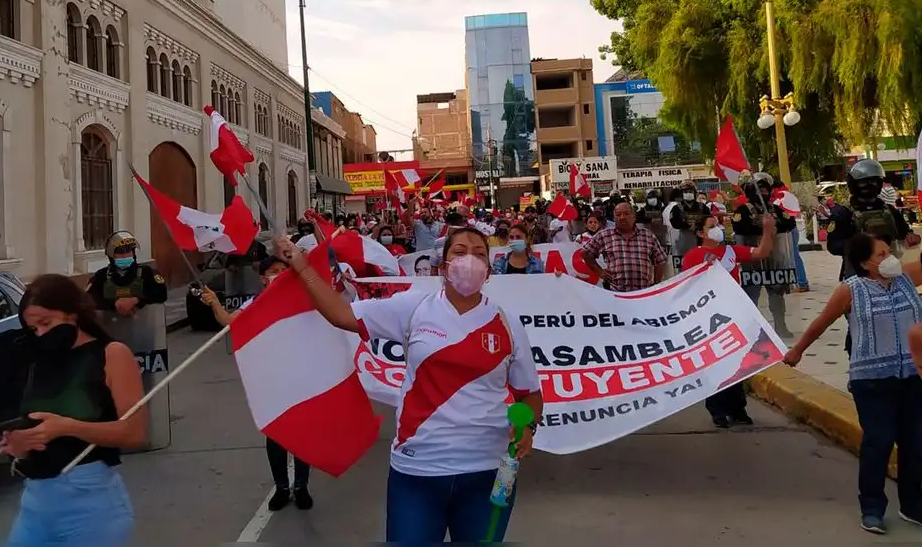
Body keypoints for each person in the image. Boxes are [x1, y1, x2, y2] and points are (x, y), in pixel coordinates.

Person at [271, 227, 543, 542]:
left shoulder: (507, 323)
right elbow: (341, 314)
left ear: (488, 270)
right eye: (459, 252)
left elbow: (530, 396)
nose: (469, 260)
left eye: (479, 254)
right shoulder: (413, 308)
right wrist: (301, 265)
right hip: (417, 471)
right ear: (443, 266)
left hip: (488, 472)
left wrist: (527, 426)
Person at [784, 233, 922, 535]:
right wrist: (798, 350)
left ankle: (913, 505)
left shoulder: (906, 279)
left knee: (915, 443)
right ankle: (872, 508)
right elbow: (823, 321)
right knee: (879, 442)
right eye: (881, 254)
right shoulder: (851, 290)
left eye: (889, 251)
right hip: (871, 381)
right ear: (864, 262)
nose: (890, 258)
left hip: (913, 377)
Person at [4, 274, 145, 546]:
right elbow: (33, 425)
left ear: (72, 313)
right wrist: (19, 445)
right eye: (33, 329)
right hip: (35, 501)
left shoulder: (111, 354)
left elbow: (134, 432)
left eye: (46, 323)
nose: (41, 334)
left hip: (89, 504)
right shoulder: (37, 363)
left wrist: (66, 427)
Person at [199, 256, 315, 511]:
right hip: (271, 377)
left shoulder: (302, 298)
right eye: (274, 271)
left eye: (283, 270)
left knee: (302, 433)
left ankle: (301, 487)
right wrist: (215, 302)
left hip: (300, 375)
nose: (279, 274)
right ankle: (282, 487)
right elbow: (230, 321)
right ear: (263, 278)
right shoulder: (256, 303)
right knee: (276, 433)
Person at [681, 214, 776, 428]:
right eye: (712, 226)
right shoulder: (693, 256)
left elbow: (761, 252)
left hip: (733, 314)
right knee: (715, 364)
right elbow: (686, 286)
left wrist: (768, 230)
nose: (718, 228)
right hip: (709, 319)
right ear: (701, 233)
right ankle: (717, 409)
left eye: (718, 224)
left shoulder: (731, 251)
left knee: (737, 362)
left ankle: (737, 408)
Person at [731, 173, 797, 338]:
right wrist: (764, 226)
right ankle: (751, 329)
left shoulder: (776, 209)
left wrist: (775, 223)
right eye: (759, 189)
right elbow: (740, 227)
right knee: (751, 296)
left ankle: (780, 325)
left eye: (766, 189)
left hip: (774, 261)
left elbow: (790, 223)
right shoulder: (743, 210)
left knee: (777, 294)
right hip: (752, 261)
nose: (763, 192)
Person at [828, 159, 916, 281]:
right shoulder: (844, 213)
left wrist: (911, 236)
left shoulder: (890, 211)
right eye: (864, 182)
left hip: (890, 273)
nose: (870, 185)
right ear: (853, 184)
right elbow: (833, 245)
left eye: (875, 181)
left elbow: (904, 232)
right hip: (858, 276)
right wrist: (860, 246)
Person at [583, 202, 668, 292]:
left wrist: (656, 284)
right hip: (615, 293)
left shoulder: (648, 235)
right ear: (614, 218)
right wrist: (600, 272)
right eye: (618, 215)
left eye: (626, 214)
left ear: (634, 216)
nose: (622, 217)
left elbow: (660, 260)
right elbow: (585, 253)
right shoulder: (604, 235)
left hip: (643, 293)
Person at [86, 231, 168, 316]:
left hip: (143, 323)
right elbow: (88, 299)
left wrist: (136, 300)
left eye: (129, 251)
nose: (125, 255)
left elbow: (162, 293)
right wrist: (114, 304)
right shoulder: (101, 275)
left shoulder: (147, 272)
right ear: (111, 255)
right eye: (120, 252)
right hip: (111, 323)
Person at [668, 180, 711, 263]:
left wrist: (698, 226)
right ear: (682, 193)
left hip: (700, 241)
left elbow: (710, 220)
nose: (688, 194)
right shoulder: (676, 208)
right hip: (683, 242)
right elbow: (674, 223)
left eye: (690, 192)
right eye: (686, 192)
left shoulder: (703, 207)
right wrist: (686, 225)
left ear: (694, 193)